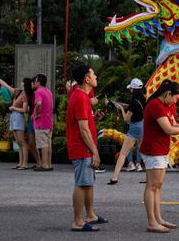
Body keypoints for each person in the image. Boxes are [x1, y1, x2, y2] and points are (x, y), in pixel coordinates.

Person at [140, 79, 179, 233]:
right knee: (152, 186)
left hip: (161, 149)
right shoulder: (155, 105)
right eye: (174, 98)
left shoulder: (167, 105)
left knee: (157, 186)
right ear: (167, 94)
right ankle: (152, 222)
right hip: (153, 149)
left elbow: (174, 124)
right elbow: (168, 129)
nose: (175, 101)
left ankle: (158, 219)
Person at [67, 65, 106, 232]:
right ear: (87, 79)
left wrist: (94, 117)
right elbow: (83, 130)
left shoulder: (82, 96)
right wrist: (95, 151)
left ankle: (90, 215)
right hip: (82, 148)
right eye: (93, 74)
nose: (96, 76)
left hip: (85, 147)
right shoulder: (81, 98)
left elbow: (85, 123)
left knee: (88, 183)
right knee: (82, 183)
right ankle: (77, 221)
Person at [108, 78, 146, 185]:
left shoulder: (133, 102)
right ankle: (149, 177)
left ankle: (114, 177)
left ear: (133, 89)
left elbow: (126, 119)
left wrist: (121, 108)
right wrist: (126, 106)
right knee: (144, 153)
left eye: (131, 89)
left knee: (123, 153)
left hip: (134, 129)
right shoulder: (143, 99)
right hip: (143, 126)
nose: (130, 91)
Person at [0, 73, 30, 169]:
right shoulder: (17, 92)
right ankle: (20, 163)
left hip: (19, 117)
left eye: (23, 82)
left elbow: (25, 110)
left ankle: (25, 164)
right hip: (13, 117)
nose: (21, 83)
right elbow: (5, 85)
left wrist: (14, 107)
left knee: (22, 141)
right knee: (18, 142)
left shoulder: (25, 95)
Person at [32, 74, 54, 171]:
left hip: (41, 122)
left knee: (43, 144)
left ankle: (44, 165)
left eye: (35, 81)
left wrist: (37, 115)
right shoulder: (49, 92)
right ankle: (48, 164)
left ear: (39, 82)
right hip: (49, 121)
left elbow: (39, 104)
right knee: (48, 143)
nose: (34, 82)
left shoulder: (38, 92)